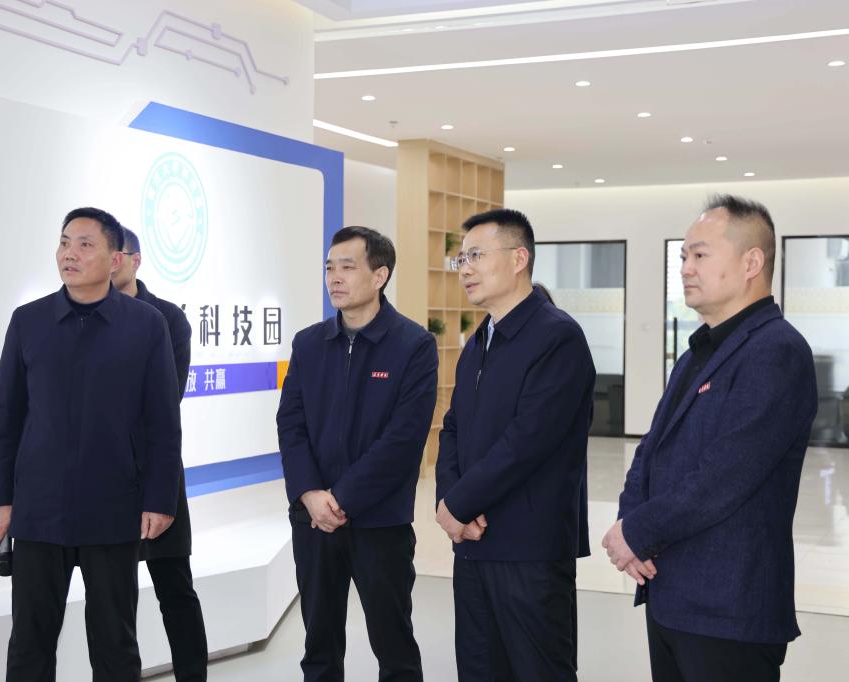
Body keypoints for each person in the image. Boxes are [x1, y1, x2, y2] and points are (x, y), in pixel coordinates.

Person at [603, 195, 817, 682]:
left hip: (729, 608)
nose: (685, 268)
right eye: (683, 256)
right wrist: (629, 520)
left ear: (751, 263)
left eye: (699, 255)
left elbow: (725, 475)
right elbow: (651, 449)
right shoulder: (697, 351)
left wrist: (637, 531)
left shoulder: (777, 351)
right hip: (670, 593)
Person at [0, 207, 182, 682]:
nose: (69, 254)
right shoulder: (29, 321)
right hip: (38, 509)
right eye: (64, 242)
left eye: (85, 245)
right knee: (30, 643)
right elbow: (6, 416)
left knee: (115, 644)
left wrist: (160, 498)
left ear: (115, 259)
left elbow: (162, 421)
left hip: (113, 508)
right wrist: (0, 500)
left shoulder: (146, 325)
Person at [435, 209, 595, 682]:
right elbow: (453, 427)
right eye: (462, 259)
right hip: (473, 543)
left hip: (530, 548)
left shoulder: (557, 337)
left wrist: (460, 504)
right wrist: (450, 501)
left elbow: (528, 441)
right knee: (479, 669)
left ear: (519, 258)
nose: (465, 268)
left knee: (538, 670)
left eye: (476, 256)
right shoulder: (478, 341)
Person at [277, 226, 438, 682]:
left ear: (380, 275)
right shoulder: (309, 343)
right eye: (330, 267)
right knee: (319, 646)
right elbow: (290, 424)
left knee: (394, 645)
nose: (335, 277)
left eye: (347, 267)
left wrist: (341, 499)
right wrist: (310, 494)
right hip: (313, 521)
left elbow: (403, 440)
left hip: (379, 522)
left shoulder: (413, 346)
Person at [112, 226, 208, 682]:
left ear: (135, 260)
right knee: (113, 597)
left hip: (156, 472)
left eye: (118, 254)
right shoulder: (83, 317)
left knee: (175, 588)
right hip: (103, 481)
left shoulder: (167, 319)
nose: (109, 262)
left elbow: (166, 401)